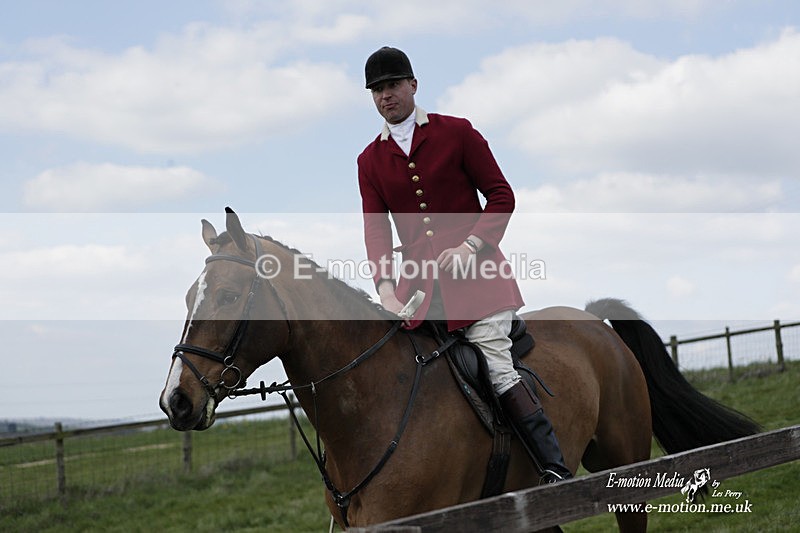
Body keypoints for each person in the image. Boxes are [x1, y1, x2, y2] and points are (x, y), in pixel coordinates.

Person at [357, 46, 572, 483]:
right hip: (418, 293)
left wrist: (472, 244)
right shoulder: (369, 161)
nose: (386, 95)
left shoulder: (458, 133)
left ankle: (553, 467)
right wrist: (383, 286)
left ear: (413, 85)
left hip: (479, 282)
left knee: (495, 365)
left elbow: (501, 195)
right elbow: (376, 230)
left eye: (393, 85)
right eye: (377, 90)